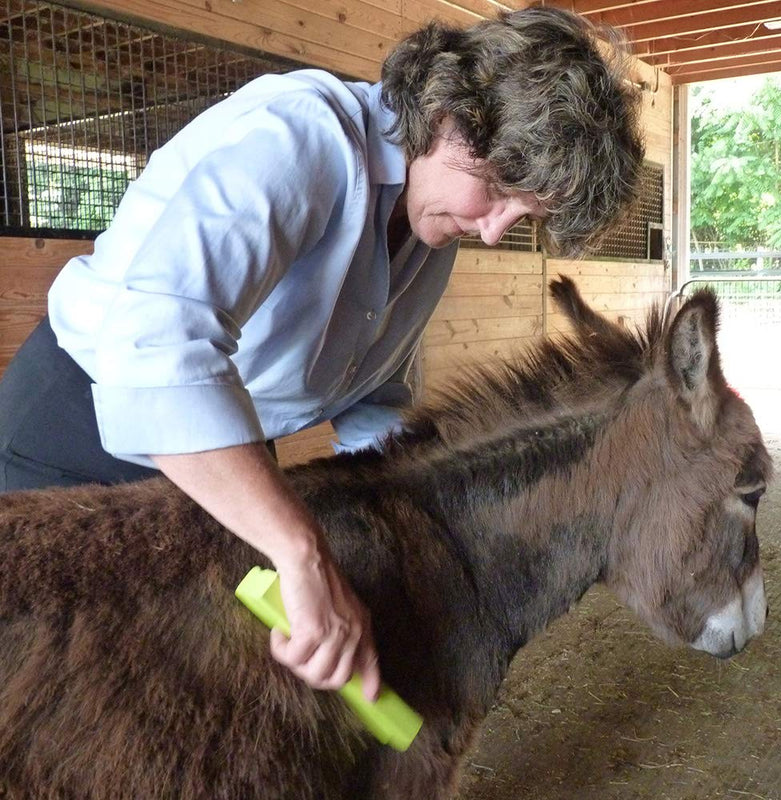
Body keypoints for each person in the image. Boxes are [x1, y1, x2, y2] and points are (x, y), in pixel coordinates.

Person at [0, 7, 644, 698]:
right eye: (495, 191)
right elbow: (159, 342)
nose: (493, 231)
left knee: (189, 687)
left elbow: (378, 395)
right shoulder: (301, 138)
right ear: (450, 112)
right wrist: (299, 549)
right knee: (53, 696)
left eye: (524, 217)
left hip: (227, 449)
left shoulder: (430, 227)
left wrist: (398, 521)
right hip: (72, 429)